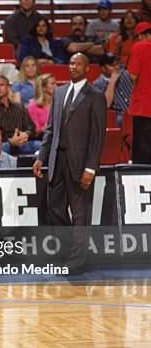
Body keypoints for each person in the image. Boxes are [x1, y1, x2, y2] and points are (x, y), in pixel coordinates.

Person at [33, 53, 107, 273]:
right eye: (71, 63)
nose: (73, 66)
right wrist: (41, 157)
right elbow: (50, 129)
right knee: (55, 209)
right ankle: (69, 252)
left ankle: (77, 261)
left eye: (78, 64)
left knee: (79, 212)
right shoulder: (59, 92)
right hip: (57, 159)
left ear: (87, 69)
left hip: (80, 163)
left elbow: (97, 136)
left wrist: (90, 167)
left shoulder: (95, 96)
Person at [0, 75, 41, 155]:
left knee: (40, 146)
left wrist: (25, 134)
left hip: (22, 143)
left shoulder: (19, 107)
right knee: (1, 147)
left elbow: (31, 127)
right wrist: (11, 141)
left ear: (8, 87)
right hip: (3, 144)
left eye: (1, 85)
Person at [127, 22, 151, 164]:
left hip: (143, 106)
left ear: (141, 35)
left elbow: (133, 75)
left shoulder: (140, 46)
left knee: (142, 151)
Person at [92, 54, 133, 127]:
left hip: (134, 111)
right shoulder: (98, 84)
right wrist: (112, 82)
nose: (117, 67)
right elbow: (106, 104)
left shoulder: (126, 75)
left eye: (117, 64)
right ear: (103, 68)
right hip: (119, 115)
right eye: (112, 65)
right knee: (120, 120)